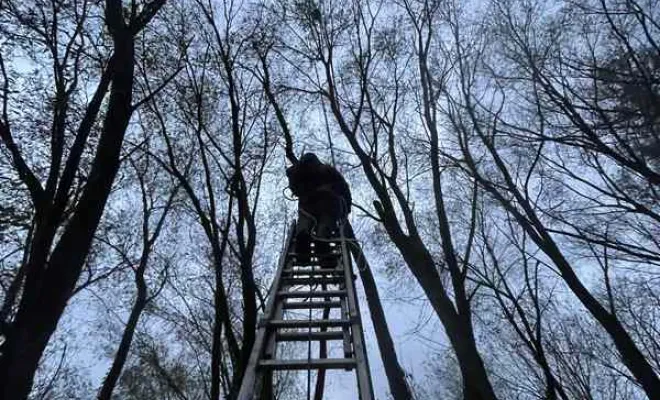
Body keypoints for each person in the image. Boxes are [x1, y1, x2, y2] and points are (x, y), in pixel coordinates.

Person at [286, 153, 351, 260]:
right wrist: (347, 208)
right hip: (322, 206)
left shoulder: (300, 173)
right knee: (321, 229)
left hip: (316, 206)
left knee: (307, 226)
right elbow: (344, 189)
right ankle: (320, 252)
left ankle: (306, 251)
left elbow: (343, 188)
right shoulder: (327, 171)